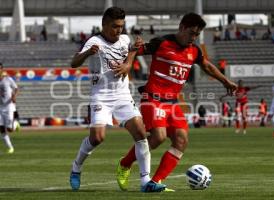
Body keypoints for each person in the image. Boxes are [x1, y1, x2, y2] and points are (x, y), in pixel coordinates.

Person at [116, 13, 237, 191]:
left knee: (181, 140)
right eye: (191, 33)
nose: (193, 38)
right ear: (181, 27)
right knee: (159, 137)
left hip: (172, 103)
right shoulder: (162, 43)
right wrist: (127, 65)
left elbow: (207, 66)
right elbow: (134, 51)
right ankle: (125, 164)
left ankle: (154, 182)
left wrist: (225, 81)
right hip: (153, 99)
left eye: (197, 35)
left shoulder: (194, 51)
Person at [69, 7, 165, 192]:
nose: (118, 30)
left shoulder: (124, 39)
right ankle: (76, 168)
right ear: (104, 25)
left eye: (121, 26)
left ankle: (145, 181)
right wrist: (87, 53)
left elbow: (129, 53)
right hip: (101, 96)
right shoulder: (94, 41)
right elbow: (74, 63)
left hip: (122, 95)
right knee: (97, 138)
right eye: (114, 26)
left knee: (140, 132)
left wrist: (129, 61)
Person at [0, 63, 19, 154]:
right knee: (1, 128)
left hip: (8, 106)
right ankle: (10, 148)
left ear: (1, 69)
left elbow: (16, 88)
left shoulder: (8, 79)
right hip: (0, 107)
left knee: (10, 129)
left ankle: (15, 124)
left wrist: (14, 96)